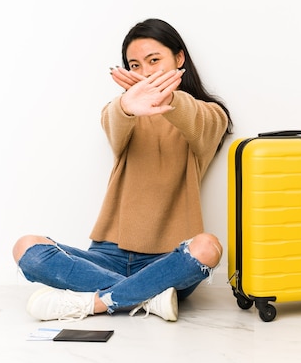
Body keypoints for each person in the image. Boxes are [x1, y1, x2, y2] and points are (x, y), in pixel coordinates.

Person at [12, 18, 232, 322]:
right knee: (27, 248)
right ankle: (148, 297)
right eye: (135, 65)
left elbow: (199, 120)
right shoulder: (123, 113)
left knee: (208, 247)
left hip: (169, 261)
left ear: (179, 59)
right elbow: (113, 120)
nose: (145, 72)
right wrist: (126, 106)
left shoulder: (209, 115)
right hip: (107, 256)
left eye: (154, 60)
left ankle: (94, 303)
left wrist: (167, 97)